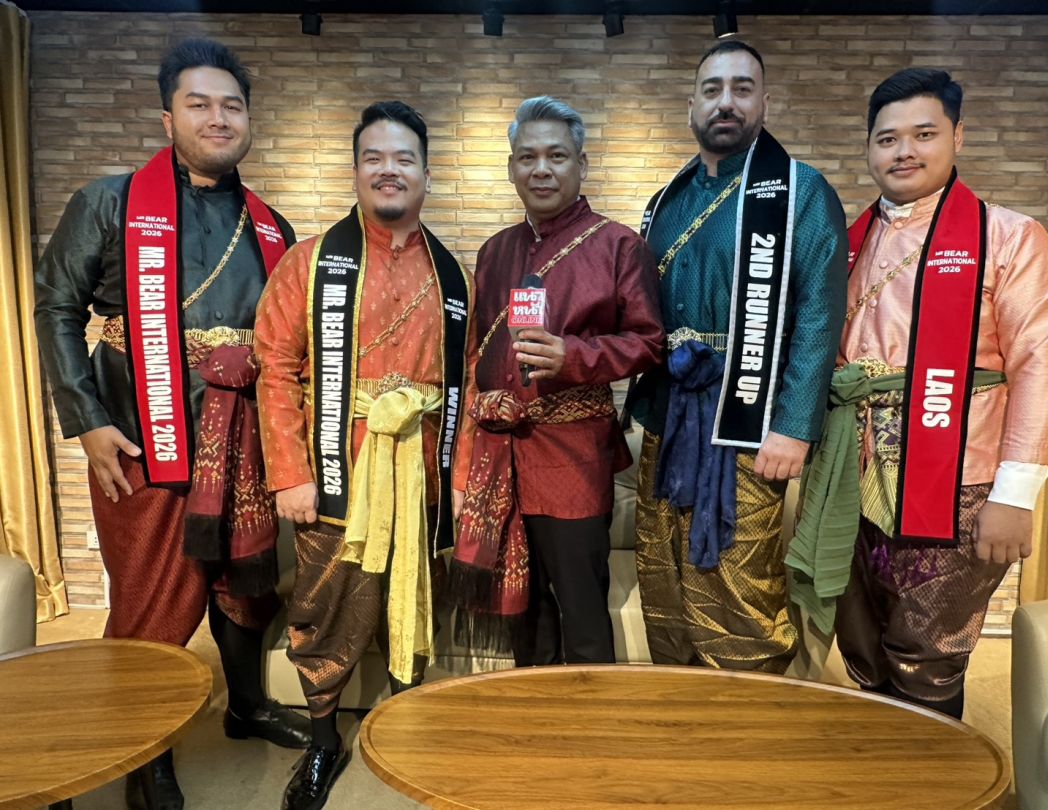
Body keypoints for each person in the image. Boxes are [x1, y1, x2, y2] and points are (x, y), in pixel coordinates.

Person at [33, 38, 311, 810]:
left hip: (243, 440)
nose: (218, 118)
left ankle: (246, 706)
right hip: (139, 435)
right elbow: (57, 305)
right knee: (149, 594)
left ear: (248, 119)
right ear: (168, 118)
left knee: (245, 585)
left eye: (232, 105)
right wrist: (85, 419)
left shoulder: (272, 227)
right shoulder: (109, 202)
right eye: (200, 104)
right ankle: (143, 748)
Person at [793, 67, 1048, 720]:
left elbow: (1041, 365)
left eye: (924, 134)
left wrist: (1015, 496)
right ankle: (882, 761)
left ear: (957, 137)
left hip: (959, 486)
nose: (904, 151)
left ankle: (932, 768)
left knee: (927, 653)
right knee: (863, 643)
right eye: (887, 138)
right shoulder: (851, 242)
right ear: (869, 147)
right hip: (853, 476)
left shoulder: (1008, 237)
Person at [255, 100, 474, 810]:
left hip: (421, 474)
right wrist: (290, 473)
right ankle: (324, 742)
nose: (389, 170)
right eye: (374, 157)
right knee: (324, 609)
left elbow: (468, 383)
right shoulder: (310, 262)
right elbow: (275, 368)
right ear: (355, 171)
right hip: (334, 470)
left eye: (404, 158)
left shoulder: (453, 275)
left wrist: (459, 479)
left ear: (427, 174)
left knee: (414, 596)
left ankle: (405, 722)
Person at [629, 40, 848, 674]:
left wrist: (794, 426)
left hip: (751, 419)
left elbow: (819, 313)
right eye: (713, 89)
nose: (726, 102)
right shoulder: (666, 201)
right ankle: (680, 700)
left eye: (742, 88)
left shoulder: (801, 191)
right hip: (671, 419)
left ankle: (752, 711)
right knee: (664, 568)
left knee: (738, 575)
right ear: (691, 105)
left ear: (764, 102)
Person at [449, 96, 664, 666]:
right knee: (523, 607)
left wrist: (574, 355)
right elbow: (477, 352)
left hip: (573, 457)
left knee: (581, 609)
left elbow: (649, 342)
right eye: (527, 157)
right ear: (511, 167)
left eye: (556, 156)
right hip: (501, 456)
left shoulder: (618, 245)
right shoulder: (495, 251)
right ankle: (532, 709)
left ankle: (590, 716)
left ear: (581, 164)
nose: (540, 169)